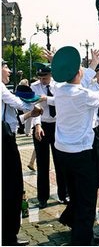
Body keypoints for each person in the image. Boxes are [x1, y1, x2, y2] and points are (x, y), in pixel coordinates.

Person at [50, 46, 99, 245]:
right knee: (87, 200)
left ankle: (76, 228)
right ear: (79, 73)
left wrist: (91, 63)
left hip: (63, 152)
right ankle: (82, 240)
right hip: (81, 154)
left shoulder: (59, 89)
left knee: (75, 193)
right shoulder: (84, 95)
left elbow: (74, 78)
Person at [2, 59, 43, 246]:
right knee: (12, 187)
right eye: (5, 66)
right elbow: (19, 103)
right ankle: (8, 236)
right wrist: (35, 103)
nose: (9, 71)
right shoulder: (1, 88)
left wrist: (30, 114)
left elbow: (12, 119)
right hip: (5, 143)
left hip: (7, 138)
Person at [31, 62, 68, 208]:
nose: (42, 80)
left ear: (50, 75)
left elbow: (61, 102)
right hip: (42, 124)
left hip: (58, 125)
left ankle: (63, 194)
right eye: (40, 77)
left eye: (45, 76)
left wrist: (46, 98)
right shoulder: (34, 86)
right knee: (42, 162)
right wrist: (37, 125)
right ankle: (42, 197)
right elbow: (34, 107)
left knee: (60, 162)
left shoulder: (58, 85)